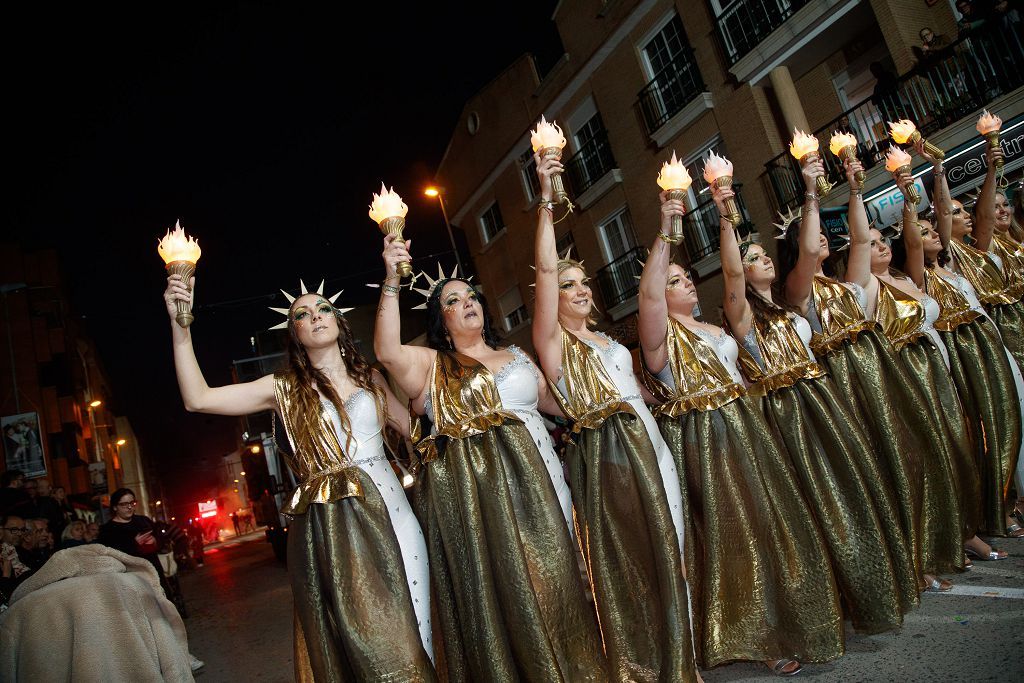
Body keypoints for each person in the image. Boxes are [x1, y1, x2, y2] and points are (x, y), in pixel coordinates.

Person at [164, 273, 435, 681]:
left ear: (340, 322)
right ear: (294, 334)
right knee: (365, 632)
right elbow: (197, 398)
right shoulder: (282, 388)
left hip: (393, 509)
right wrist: (180, 327)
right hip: (334, 520)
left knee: (417, 620)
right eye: (302, 315)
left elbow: (413, 434)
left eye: (324, 308)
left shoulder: (371, 378)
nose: (315, 316)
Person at [375, 232, 608, 681]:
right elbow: (386, 350)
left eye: (472, 296)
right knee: (508, 586)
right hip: (479, 496)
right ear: (441, 322)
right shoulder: (430, 366)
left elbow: (561, 407)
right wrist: (390, 277)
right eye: (453, 300)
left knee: (558, 572)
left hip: (542, 476)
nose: (468, 302)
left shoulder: (517, 355)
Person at [637, 194, 843, 676]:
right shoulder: (660, 339)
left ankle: (799, 618)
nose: (685, 282)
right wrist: (667, 225)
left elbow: (735, 295)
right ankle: (762, 636)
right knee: (740, 533)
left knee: (776, 523)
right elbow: (649, 295)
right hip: (710, 441)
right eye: (673, 280)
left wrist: (725, 213)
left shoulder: (713, 325)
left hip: (749, 427)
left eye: (687, 277)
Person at [715, 170, 911, 633]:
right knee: (816, 501)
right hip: (786, 411)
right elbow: (736, 271)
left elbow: (845, 249)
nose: (759, 261)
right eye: (751, 258)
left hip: (820, 396)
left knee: (852, 487)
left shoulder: (788, 304)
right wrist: (727, 214)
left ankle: (877, 583)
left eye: (764, 255)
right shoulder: (740, 314)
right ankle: (833, 598)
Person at [531, 154, 698, 682]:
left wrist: (668, 225)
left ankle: (685, 659)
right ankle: (643, 659)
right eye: (567, 284)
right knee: (631, 556)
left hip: (648, 442)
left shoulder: (607, 340)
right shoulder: (552, 343)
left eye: (583, 283)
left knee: (673, 543)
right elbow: (542, 269)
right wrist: (545, 198)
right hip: (606, 458)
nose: (580, 290)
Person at [778, 155, 925, 602]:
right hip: (842, 378)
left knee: (901, 457)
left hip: (877, 369)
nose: (820, 238)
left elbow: (861, 239)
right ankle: (897, 568)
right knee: (873, 468)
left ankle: (917, 557)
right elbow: (806, 250)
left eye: (825, 234)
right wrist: (809, 193)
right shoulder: (797, 289)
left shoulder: (846, 284)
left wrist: (855, 188)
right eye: (813, 233)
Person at [900, 158, 1021, 552]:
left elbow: (961, 218)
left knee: (1011, 413)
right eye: (929, 228)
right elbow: (926, 223)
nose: (936, 232)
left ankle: (1010, 500)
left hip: (988, 340)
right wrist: (912, 191)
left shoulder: (954, 259)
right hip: (960, 349)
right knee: (983, 428)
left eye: (938, 228)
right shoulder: (919, 275)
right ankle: (996, 510)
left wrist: (939, 168)